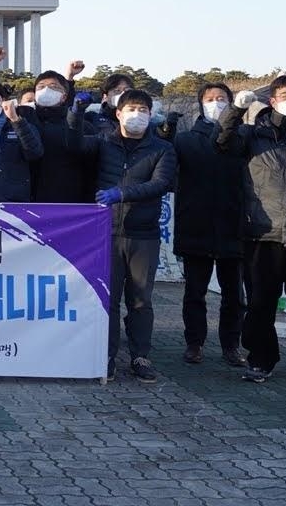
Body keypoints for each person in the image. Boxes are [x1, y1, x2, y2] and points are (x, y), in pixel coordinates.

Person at [215, 76, 286, 391]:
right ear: (272, 100)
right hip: (263, 233)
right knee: (260, 303)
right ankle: (260, 360)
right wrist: (235, 111)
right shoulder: (254, 135)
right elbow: (222, 142)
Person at [68, 88, 177, 382]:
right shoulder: (104, 141)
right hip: (106, 234)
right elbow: (74, 146)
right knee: (109, 299)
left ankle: (140, 356)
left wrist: (122, 193)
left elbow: (161, 183)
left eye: (143, 110)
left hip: (143, 235)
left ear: (151, 115)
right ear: (118, 113)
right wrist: (76, 113)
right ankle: (106, 356)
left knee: (140, 300)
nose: (136, 115)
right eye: (131, 109)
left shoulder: (162, 149)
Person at [172, 83, 247, 367]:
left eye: (221, 98)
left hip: (233, 224)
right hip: (196, 224)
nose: (216, 103)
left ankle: (231, 345)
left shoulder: (243, 137)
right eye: (210, 99)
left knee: (234, 295)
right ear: (201, 104)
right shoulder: (185, 140)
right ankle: (194, 343)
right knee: (195, 292)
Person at [29, 64, 97, 203]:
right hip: (27, 201)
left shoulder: (83, 126)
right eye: (41, 87)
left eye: (54, 87)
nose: (46, 90)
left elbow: (92, 167)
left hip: (70, 201)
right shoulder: (25, 120)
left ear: (64, 96)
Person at [84, 72, 134, 138]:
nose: (123, 94)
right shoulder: (92, 118)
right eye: (117, 91)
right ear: (105, 97)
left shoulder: (140, 118)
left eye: (127, 91)